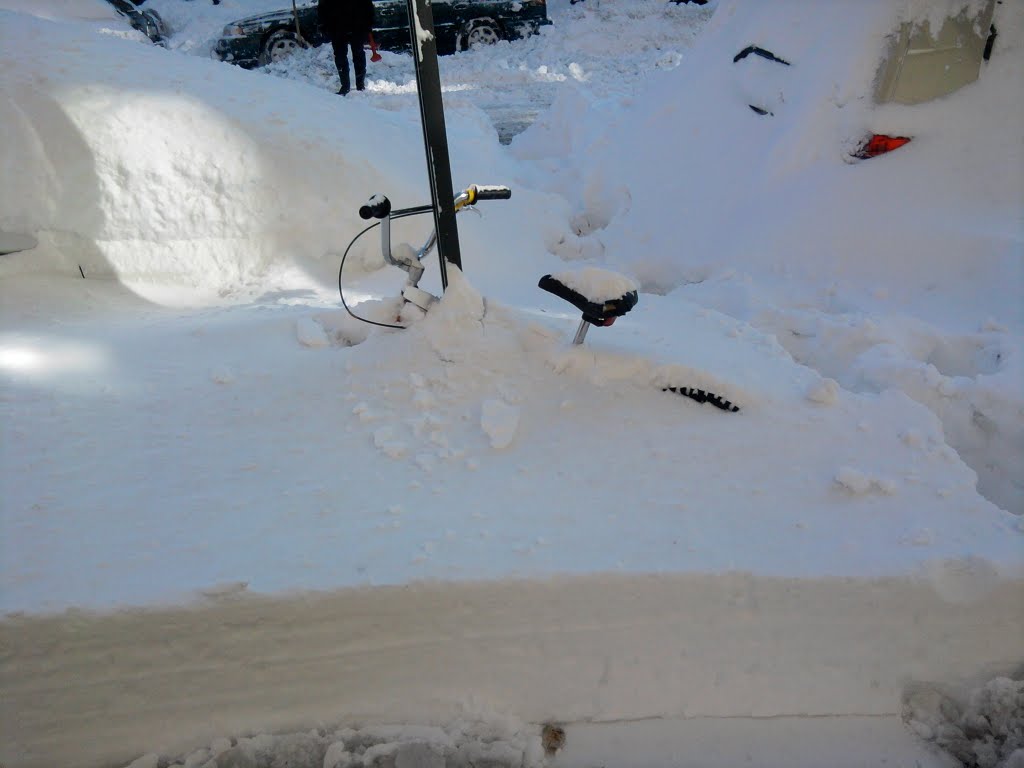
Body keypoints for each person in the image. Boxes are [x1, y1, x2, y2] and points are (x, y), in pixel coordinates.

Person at [318, 0, 375, 95]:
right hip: (337, 26)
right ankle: (345, 86)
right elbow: (323, 7)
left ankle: (359, 85)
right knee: (341, 55)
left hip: (356, 25)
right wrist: (323, 24)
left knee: (357, 53)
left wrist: (369, 23)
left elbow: (367, 5)